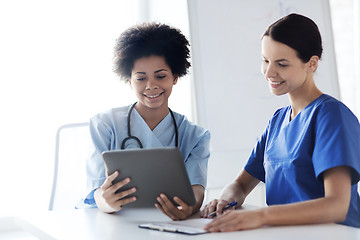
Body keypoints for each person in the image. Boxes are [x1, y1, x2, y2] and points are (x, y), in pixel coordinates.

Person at [201, 13, 360, 231]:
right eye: (265, 61)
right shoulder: (278, 121)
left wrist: (262, 216)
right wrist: (225, 201)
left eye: (282, 64)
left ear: (312, 63)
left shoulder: (332, 116)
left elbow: (336, 206)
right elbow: (240, 184)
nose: (269, 72)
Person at [82, 22, 210, 220]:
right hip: (113, 224)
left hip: (170, 225)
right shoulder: (105, 125)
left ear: (175, 77)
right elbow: (96, 191)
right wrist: (106, 201)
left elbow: (196, 190)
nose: (151, 86)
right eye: (141, 78)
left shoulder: (196, 136)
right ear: (129, 79)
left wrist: (189, 207)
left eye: (160, 76)